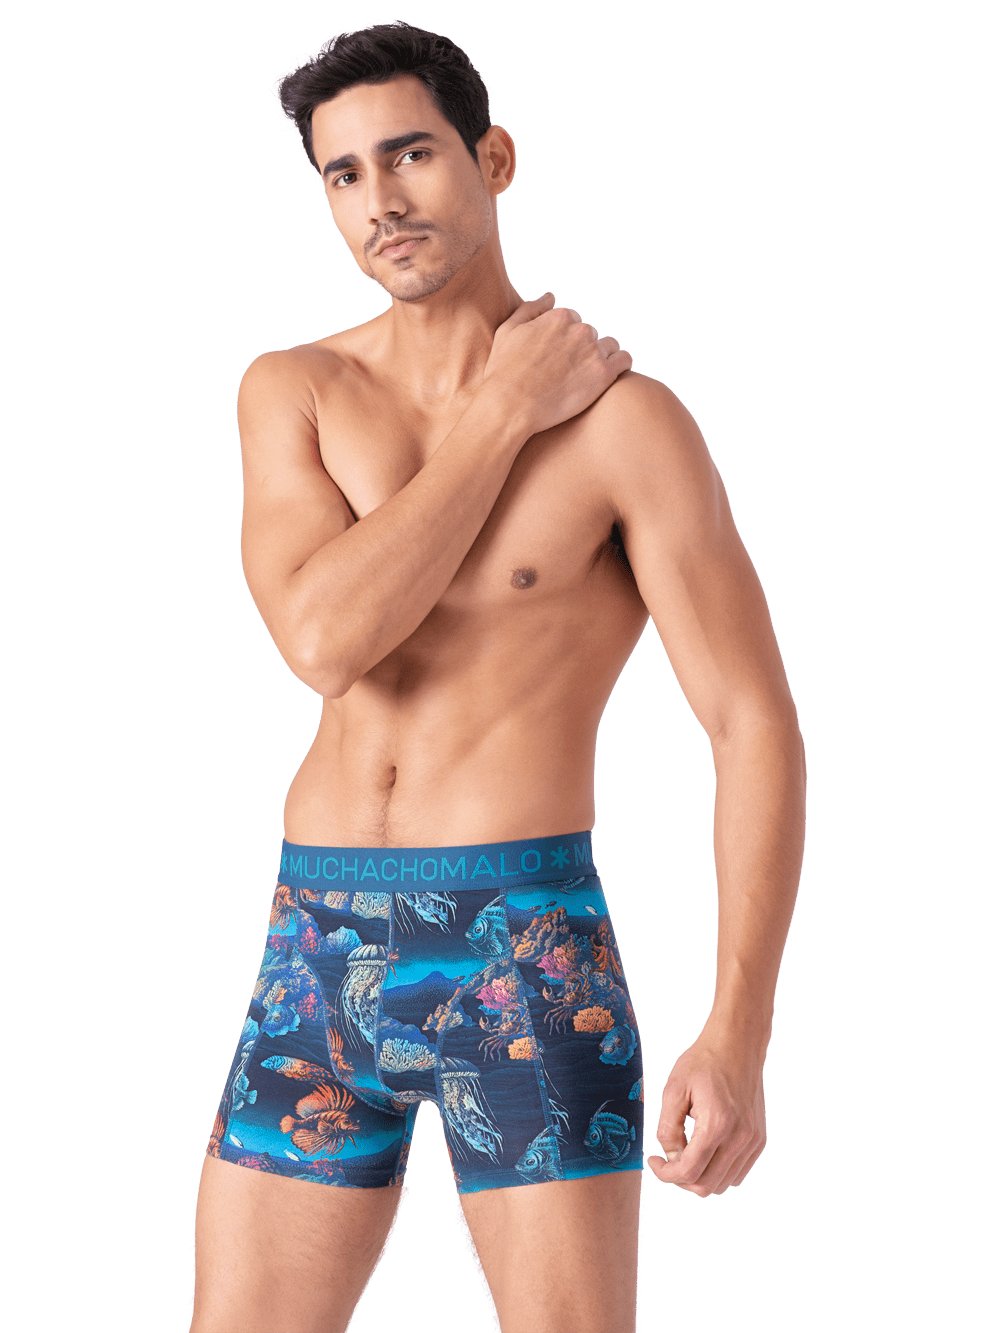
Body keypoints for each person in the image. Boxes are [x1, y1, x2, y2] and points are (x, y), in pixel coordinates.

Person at [188, 19, 807, 1333]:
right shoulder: (294, 390)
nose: (380, 200)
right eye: (343, 174)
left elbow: (750, 722)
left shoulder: (628, 427)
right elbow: (322, 639)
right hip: (315, 948)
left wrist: (739, 1029)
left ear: (495, 159)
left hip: (520, 952)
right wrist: (500, 412)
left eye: (410, 154)